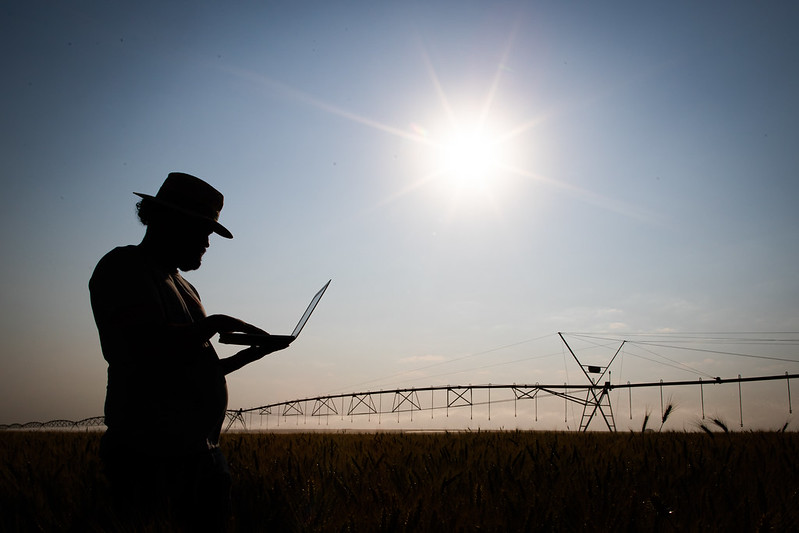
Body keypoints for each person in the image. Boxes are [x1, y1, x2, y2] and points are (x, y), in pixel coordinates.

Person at [89, 172, 289, 530]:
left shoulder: (185, 286)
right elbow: (136, 349)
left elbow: (183, 367)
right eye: (203, 232)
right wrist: (213, 324)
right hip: (150, 459)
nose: (207, 244)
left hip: (203, 455)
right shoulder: (123, 267)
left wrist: (247, 356)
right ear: (168, 221)